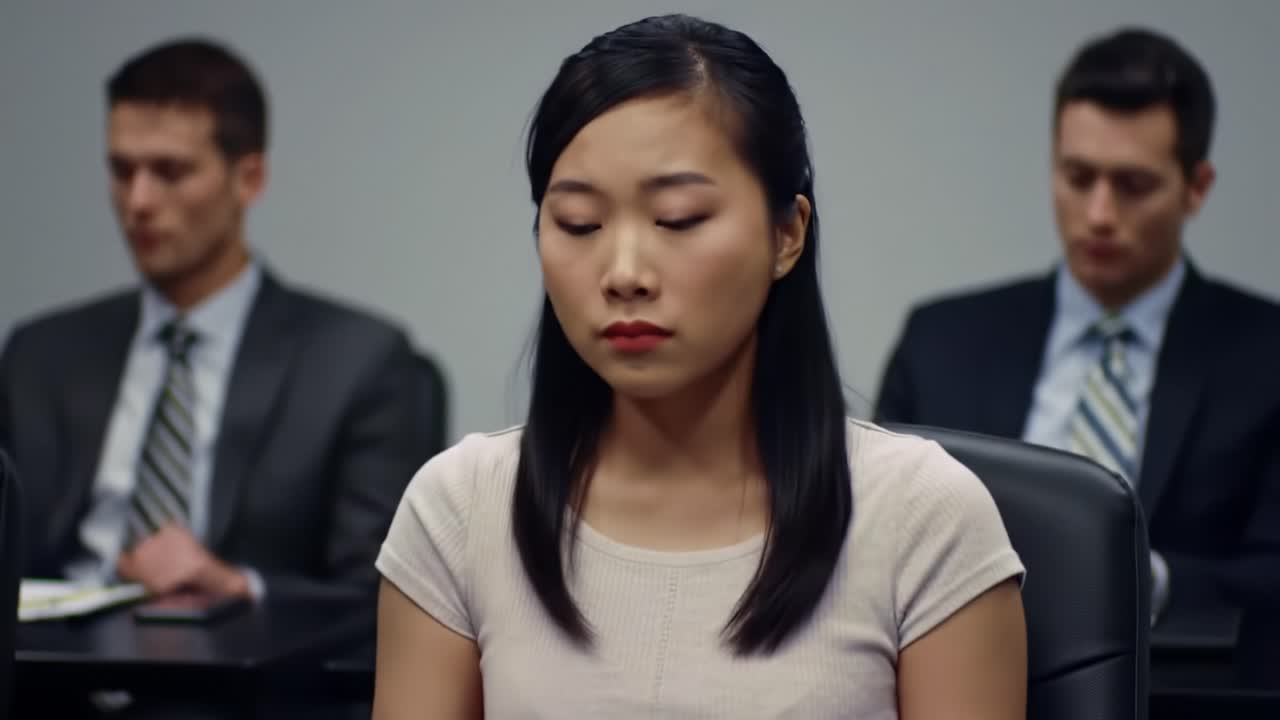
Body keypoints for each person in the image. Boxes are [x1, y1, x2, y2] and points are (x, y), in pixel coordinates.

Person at [373, 14, 1025, 719]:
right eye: (579, 225)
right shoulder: (459, 512)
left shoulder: (924, 519)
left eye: (678, 219)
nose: (623, 273)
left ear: (787, 235)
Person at [0, 38, 442, 606]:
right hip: (53, 680)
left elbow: (383, 594)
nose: (138, 200)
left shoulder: (356, 362)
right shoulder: (41, 355)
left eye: (171, 171)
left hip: (235, 681)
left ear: (248, 179)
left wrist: (237, 586)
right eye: (121, 170)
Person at [875, 27, 1280, 619]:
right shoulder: (942, 343)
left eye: (1133, 185)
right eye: (1078, 177)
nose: (1099, 214)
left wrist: (1151, 584)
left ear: (1197, 188)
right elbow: (875, 540)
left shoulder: (1265, 356)